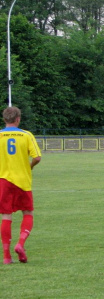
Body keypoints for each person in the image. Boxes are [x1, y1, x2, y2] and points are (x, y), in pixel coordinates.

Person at [0, 107, 42, 264]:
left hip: (3, 179)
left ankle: (6, 256)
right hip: (22, 180)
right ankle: (20, 243)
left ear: (5, 119)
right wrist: (29, 167)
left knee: (6, 215)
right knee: (28, 212)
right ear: (18, 119)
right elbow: (37, 158)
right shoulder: (26, 135)